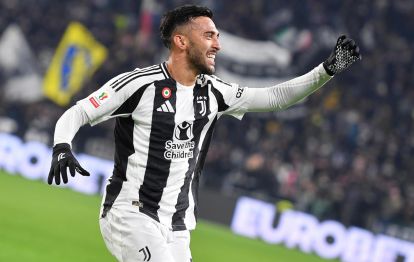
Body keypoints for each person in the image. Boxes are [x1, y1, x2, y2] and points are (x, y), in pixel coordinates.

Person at [47, 4, 361, 262]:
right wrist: (62, 145)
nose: (218, 44)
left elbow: (275, 98)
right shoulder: (139, 85)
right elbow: (79, 112)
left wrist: (326, 70)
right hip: (132, 214)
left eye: (217, 36)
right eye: (209, 35)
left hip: (179, 225)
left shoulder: (214, 92)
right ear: (181, 41)